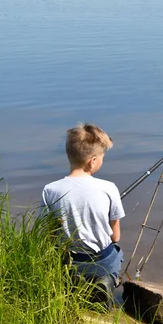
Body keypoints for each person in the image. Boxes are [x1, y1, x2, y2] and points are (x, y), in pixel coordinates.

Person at [41, 123, 125, 307]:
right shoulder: (109, 188)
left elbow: (50, 235)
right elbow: (115, 236)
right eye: (102, 157)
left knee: (62, 254)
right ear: (92, 161)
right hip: (102, 259)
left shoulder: (50, 190)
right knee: (117, 252)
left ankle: (74, 280)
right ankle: (106, 281)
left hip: (71, 261)